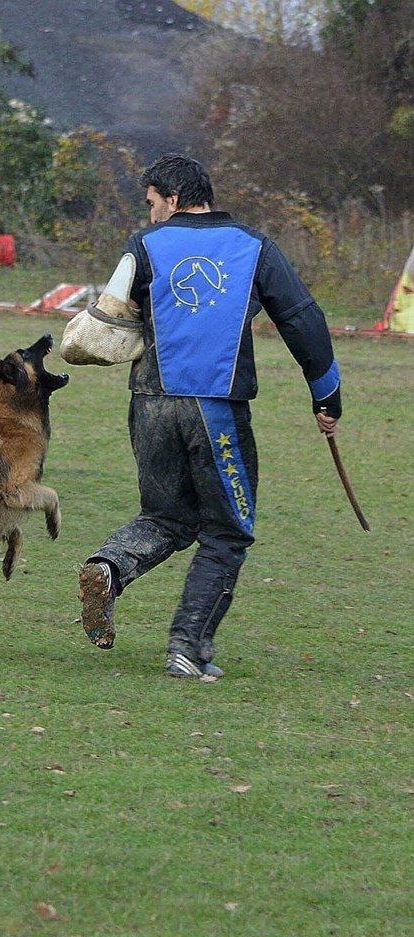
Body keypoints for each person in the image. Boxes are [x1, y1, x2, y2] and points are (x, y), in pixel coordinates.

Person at [76, 154, 341, 679]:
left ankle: (109, 565)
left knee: (167, 517)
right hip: (214, 408)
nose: (150, 215)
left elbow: (104, 319)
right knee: (228, 531)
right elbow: (302, 319)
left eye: (152, 204)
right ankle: (187, 647)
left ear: (174, 199)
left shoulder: (143, 246)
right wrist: (326, 394)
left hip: (149, 404)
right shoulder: (255, 246)